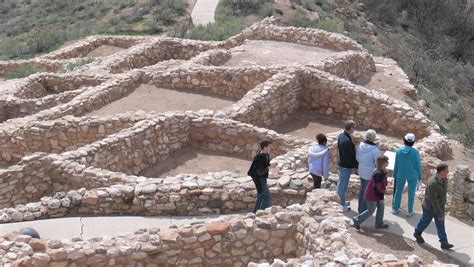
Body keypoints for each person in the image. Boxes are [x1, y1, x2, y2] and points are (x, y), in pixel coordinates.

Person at [413, 163, 453, 250]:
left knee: (440, 225)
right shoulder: (432, 183)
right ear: (442, 172)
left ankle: (444, 243)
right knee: (425, 221)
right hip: (430, 208)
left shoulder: (444, 179)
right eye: (447, 171)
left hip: (439, 207)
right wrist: (439, 214)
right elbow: (434, 201)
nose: (448, 172)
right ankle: (417, 233)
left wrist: (441, 208)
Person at [352, 155, 390, 229]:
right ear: (383, 163)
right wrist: (381, 198)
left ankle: (379, 224)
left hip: (377, 194)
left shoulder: (382, 171)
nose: (388, 163)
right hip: (372, 195)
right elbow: (376, 188)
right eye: (386, 161)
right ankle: (356, 220)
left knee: (381, 207)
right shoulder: (378, 174)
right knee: (370, 210)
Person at [392, 133, 422, 217]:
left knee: (398, 191)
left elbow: (396, 164)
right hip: (412, 174)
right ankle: (409, 211)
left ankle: (395, 208)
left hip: (400, 173)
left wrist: (394, 174)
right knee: (411, 193)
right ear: (413, 142)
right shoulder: (415, 152)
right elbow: (418, 165)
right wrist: (420, 175)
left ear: (404, 140)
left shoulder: (398, 151)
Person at [356, 129, 380, 213]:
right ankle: (363, 210)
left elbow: (357, 158)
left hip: (361, 169)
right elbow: (378, 163)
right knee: (367, 191)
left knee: (362, 189)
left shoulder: (360, 146)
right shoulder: (375, 150)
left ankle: (360, 208)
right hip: (370, 172)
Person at [337, 120, 358, 212]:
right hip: (345, 166)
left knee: (341, 183)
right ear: (351, 128)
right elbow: (348, 157)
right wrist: (356, 165)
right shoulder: (347, 141)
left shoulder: (342, 136)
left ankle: (341, 200)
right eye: (354, 127)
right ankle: (341, 204)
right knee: (343, 185)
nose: (355, 129)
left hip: (342, 164)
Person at [248, 140, 272, 213]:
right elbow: (259, 172)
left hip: (263, 178)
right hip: (259, 179)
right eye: (269, 146)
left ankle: (254, 213)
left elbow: (265, 166)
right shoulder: (259, 158)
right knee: (267, 197)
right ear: (264, 147)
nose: (271, 148)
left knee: (260, 196)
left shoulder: (266, 155)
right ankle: (261, 213)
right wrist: (269, 168)